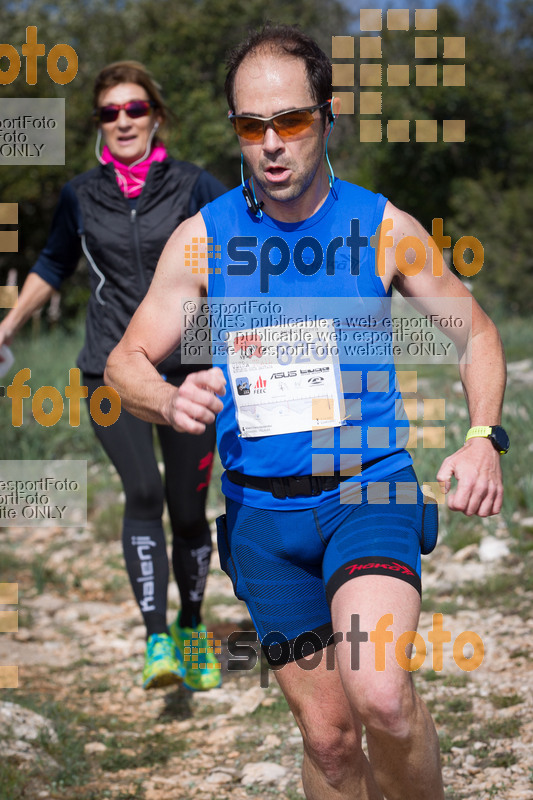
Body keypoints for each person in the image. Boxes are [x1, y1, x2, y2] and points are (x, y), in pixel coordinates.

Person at [104, 27, 507, 800]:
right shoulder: (203, 239)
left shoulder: (382, 225)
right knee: (328, 741)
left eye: (290, 120)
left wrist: (483, 436)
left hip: (368, 492)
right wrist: (166, 395)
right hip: (260, 515)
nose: (271, 144)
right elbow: (126, 361)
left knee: (381, 697)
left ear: (326, 116)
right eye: (250, 126)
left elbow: (476, 332)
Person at [0, 61, 227, 692]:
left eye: (134, 109)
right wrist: (9, 324)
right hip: (109, 369)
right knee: (143, 494)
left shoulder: (193, 186)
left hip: (189, 372)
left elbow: (241, 251)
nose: (122, 121)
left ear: (155, 115)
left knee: (187, 508)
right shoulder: (81, 195)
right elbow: (53, 262)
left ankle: (191, 625)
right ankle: (156, 639)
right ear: (99, 122)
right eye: (109, 112)